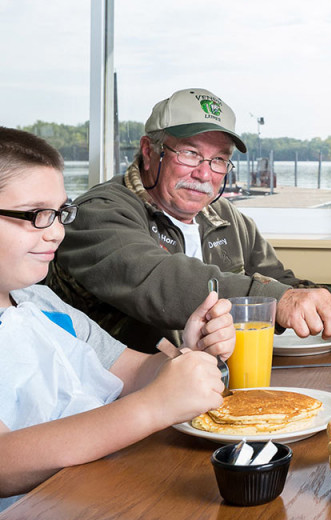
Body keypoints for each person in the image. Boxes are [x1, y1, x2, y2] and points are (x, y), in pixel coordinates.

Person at [0, 128, 235, 511]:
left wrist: (189, 352)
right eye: (37, 215)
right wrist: (151, 408)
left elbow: (131, 372)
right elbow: (4, 464)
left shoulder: (41, 302)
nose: (57, 231)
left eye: (60, 213)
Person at [46, 88, 331, 353]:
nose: (205, 174)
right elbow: (161, 280)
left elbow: (276, 279)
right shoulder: (98, 213)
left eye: (219, 159)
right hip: (114, 398)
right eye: (190, 154)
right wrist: (279, 300)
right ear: (148, 151)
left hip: (209, 387)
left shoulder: (225, 216)